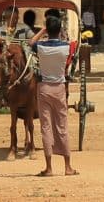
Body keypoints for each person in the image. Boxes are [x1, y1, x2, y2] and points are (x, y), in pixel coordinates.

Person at [31, 10, 79, 178]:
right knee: (62, 126)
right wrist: (62, 32)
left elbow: (31, 42)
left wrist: (43, 30)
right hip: (59, 88)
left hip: (44, 88)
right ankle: (67, 166)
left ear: (47, 30)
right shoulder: (66, 47)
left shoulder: (41, 47)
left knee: (46, 127)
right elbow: (72, 43)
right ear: (59, 31)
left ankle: (49, 168)